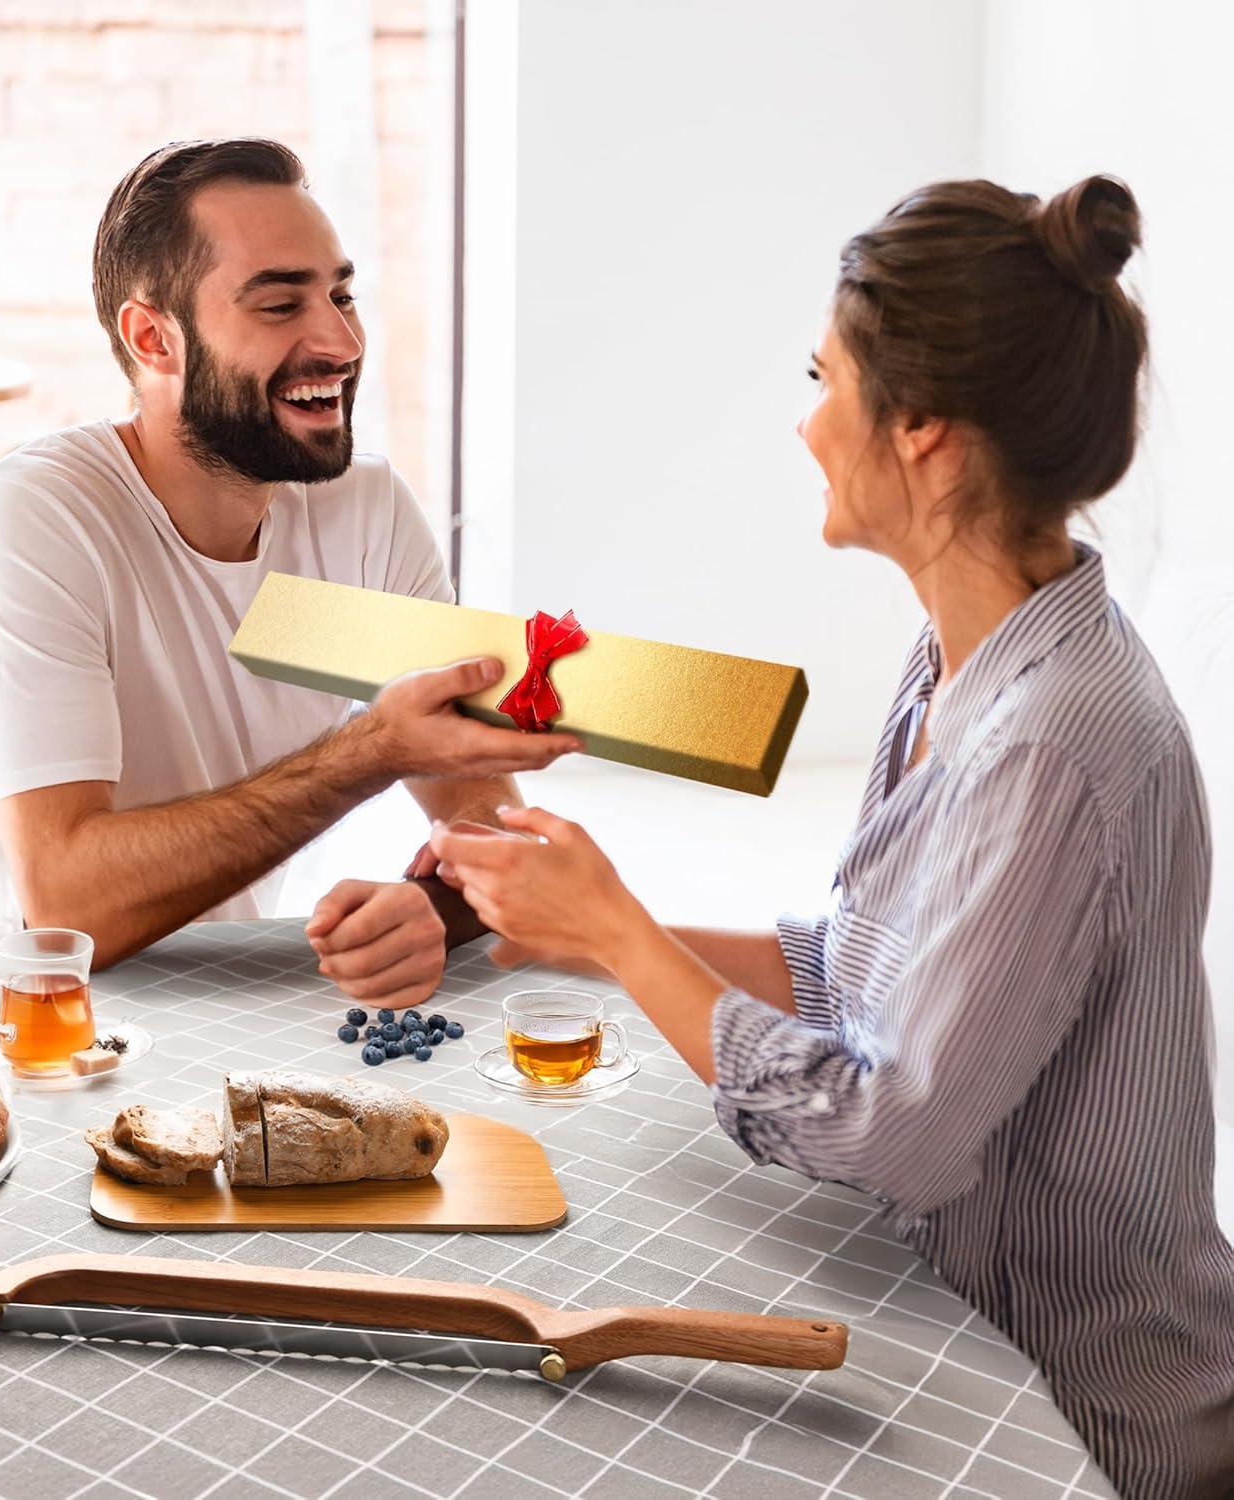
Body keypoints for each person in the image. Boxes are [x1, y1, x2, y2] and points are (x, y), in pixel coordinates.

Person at [428, 176, 1234, 1498]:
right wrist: (563, 933)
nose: (804, 425)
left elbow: (893, 1132)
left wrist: (625, 939)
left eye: (822, 377)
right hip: (962, 1319)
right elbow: (859, 977)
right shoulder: (959, 668)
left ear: (923, 428)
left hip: (1077, 1418)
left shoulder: (1056, 739)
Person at [0, 138, 578, 986]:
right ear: (153, 339)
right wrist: (368, 752)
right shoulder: (40, 522)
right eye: (280, 307)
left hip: (229, 991)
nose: (341, 343)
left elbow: (484, 820)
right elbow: (68, 906)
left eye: (342, 296)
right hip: (22, 1016)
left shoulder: (366, 514)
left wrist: (436, 908)